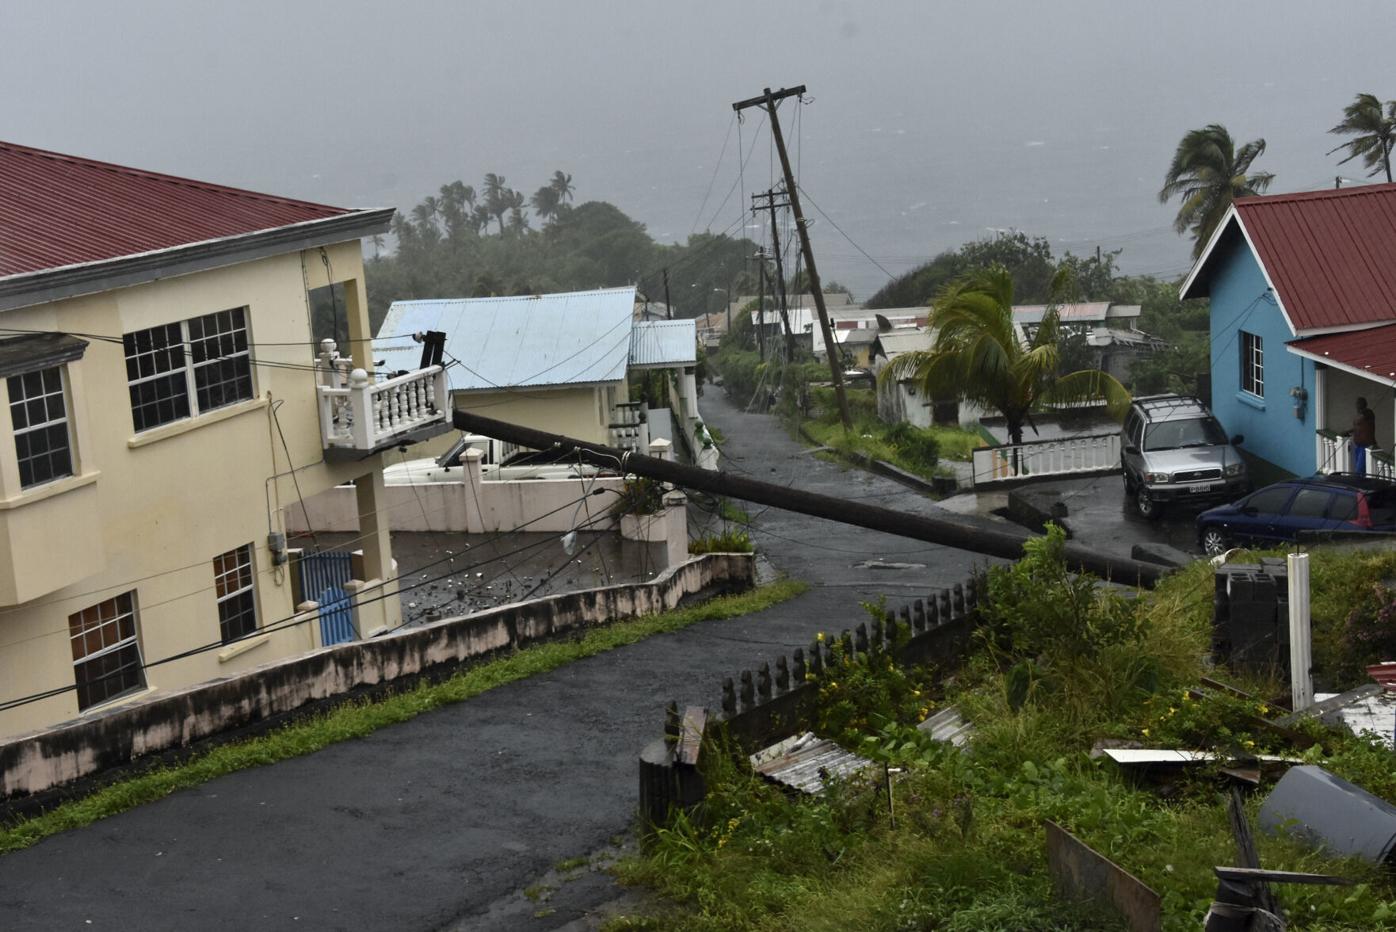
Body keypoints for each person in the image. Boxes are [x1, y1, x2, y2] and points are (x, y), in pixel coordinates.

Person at [1349, 396, 1378, 473]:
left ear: (1364, 404)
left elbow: (1362, 418)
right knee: (1360, 468)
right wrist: (1348, 431)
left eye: (1359, 403)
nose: (1357, 405)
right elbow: (1357, 426)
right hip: (1358, 446)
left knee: (1359, 469)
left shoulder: (1368, 413)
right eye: (1357, 403)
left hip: (1367, 446)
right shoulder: (1359, 414)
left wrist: (1360, 412)